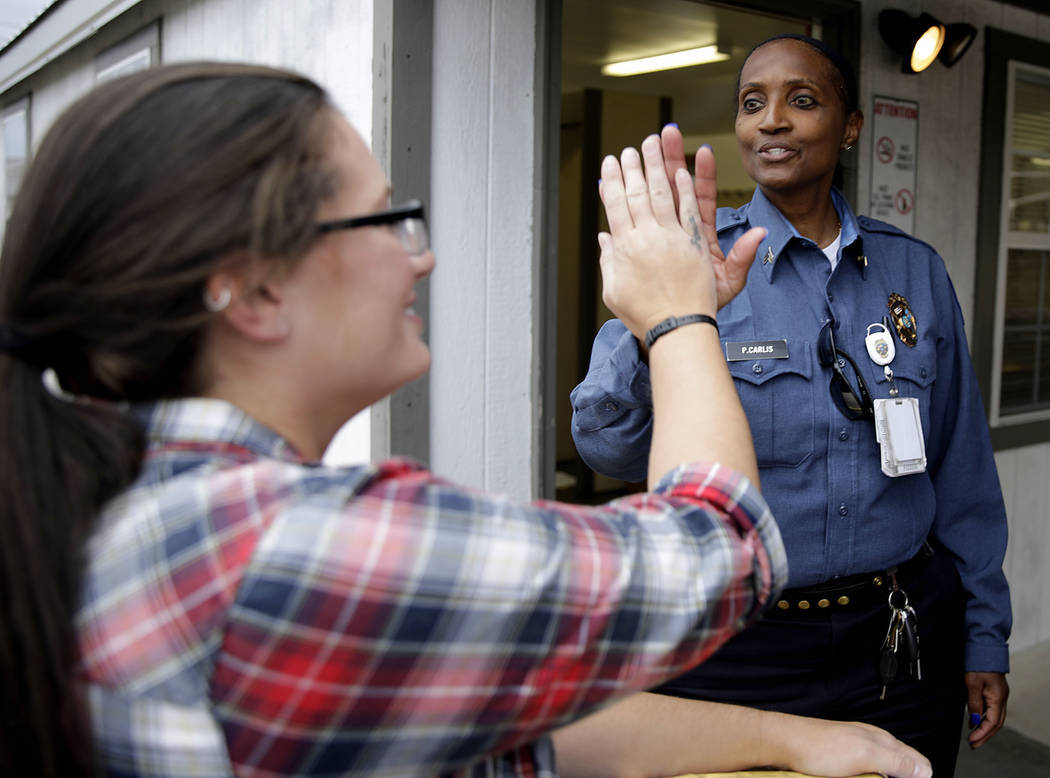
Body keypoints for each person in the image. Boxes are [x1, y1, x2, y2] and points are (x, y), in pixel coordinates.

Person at [0, 61, 931, 778]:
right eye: (386, 220)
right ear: (252, 289)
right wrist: (681, 318)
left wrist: (790, 738)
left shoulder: (138, 498)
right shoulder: (278, 548)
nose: (423, 258)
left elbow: (517, 713)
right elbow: (719, 551)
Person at [571, 33, 1011, 778]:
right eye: (752, 104)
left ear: (849, 125)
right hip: (740, 647)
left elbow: (962, 472)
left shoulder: (915, 271)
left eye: (801, 100)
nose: (771, 120)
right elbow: (605, 447)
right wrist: (668, 321)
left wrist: (984, 637)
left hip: (898, 637)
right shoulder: (698, 260)